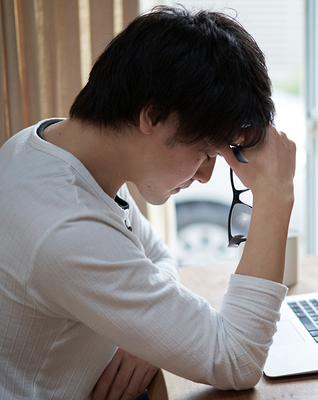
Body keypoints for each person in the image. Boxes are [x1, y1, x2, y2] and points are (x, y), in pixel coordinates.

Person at [0, 5, 296, 400]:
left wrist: (147, 334)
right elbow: (237, 360)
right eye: (206, 152)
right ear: (153, 117)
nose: (206, 175)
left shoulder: (54, 147)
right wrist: (276, 194)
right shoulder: (64, 226)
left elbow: (157, 256)